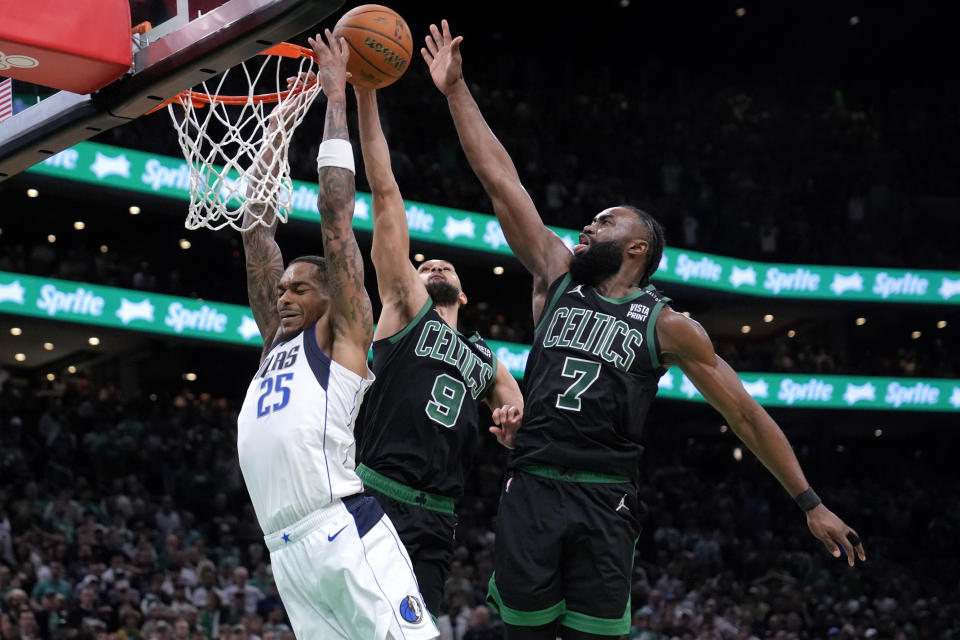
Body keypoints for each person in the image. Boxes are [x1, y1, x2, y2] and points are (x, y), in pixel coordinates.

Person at [422, 19, 866, 640]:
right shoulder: (556, 276)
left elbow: (743, 413)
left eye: (601, 222)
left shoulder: (668, 325)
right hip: (535, 484)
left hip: (608, 497)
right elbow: (502, 182)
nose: (585, 227)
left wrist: (810, 502)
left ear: (635, 246)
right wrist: (455, 91)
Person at [235, 30, 438, 640]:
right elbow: (255, 235)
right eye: (283, 289)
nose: (285, 295)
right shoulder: (279, 341)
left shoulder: (344, 327)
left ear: (332, 292)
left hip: (342, 527)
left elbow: (334, 215)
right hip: (286, 551)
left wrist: (333, 98)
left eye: (299, 288)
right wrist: (274, 134)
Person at [352, 85, 524, 619]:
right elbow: (384, 193)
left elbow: (515, 403)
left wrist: (516, 420)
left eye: (444, 267)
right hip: (378, 493)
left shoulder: (484, 356)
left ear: (464, 294)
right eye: (424, 266)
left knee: (413, 630)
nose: (433, 268)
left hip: (439, 517)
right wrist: (365, 96)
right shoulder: (405, 308)